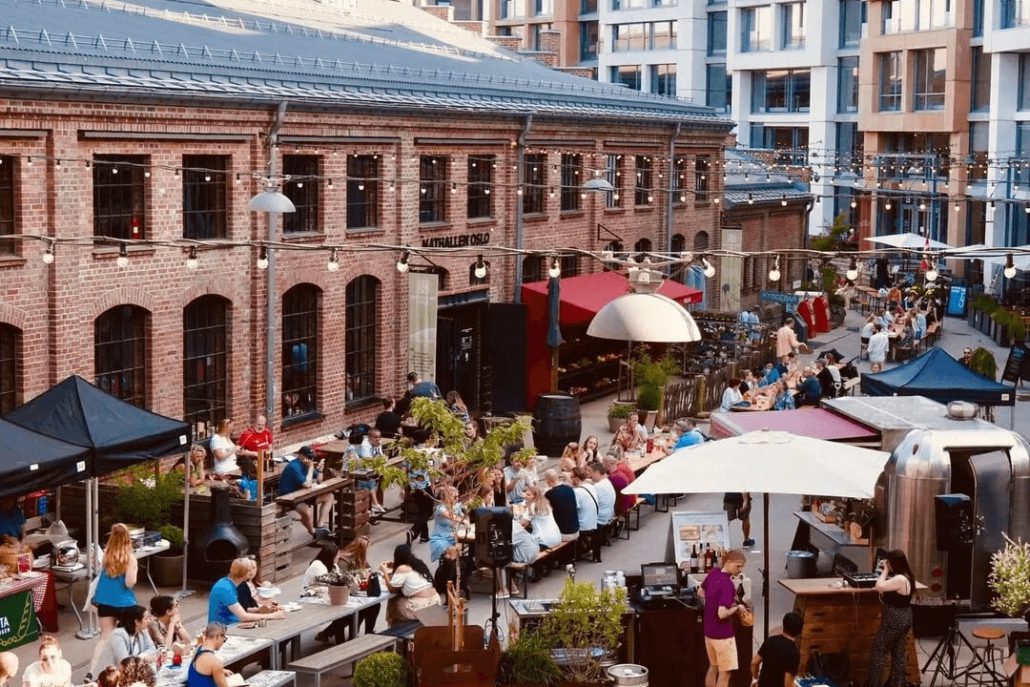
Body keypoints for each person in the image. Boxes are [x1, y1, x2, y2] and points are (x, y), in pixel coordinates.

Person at [865, 550, 915, 687]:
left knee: (879, 651)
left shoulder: (899, 579)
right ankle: (898, 683)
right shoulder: (907, 576)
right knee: (898, 652)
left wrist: (885, 570)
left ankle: (874, 684)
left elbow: (879, 586)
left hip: (894, 619)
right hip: (905, 617)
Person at [700, 549, 749, 687]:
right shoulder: (728, 585)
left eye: (742, 567)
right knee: (725, 673)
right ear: (728, 562)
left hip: (709, 631)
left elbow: (701, 592)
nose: (740, 570)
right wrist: (737, 608)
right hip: (723, 635)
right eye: (738, 566)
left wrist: (713, 602)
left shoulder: (713, 573)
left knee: (713, 667)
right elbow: (722, 614)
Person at [208, 558, 285, 626]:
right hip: (224, 628)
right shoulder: (225, 589)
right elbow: (243, 616)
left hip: (230, 623)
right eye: (250, 569)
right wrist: (274, 616)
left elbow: (240, 610)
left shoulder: (228, 583)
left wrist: (261, 610)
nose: (253, 571)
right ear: (244, 572)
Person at [94, 523, 138, 638]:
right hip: (124, 602)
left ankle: (100, 656)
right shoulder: (130, 559)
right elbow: (130, 583)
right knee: (127, 635)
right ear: (128, 538)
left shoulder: (106, 556)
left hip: (104, 600)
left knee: (106, 634)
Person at [380, 544, 440, 626]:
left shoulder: (402, 568)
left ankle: (393, 629)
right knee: (399, 601)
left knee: (394, 603)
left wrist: (384, 571)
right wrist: (394, 565)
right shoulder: (417, 564)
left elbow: (391, 588)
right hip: (435, 600)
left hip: (422, 605)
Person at [279, 446, 332, 539]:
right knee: (307, 512)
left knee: (329, 496)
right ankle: (313, 532)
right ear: (300, 456)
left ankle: (320, 526)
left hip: (304, 494)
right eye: (309, 457)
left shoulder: (306, 464)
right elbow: (307, 484)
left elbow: (319, 480)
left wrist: (320, 470)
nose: (311, 459)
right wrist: (311, 468)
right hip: (290, 497)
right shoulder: (294, 466)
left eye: (312, 457)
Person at [751, 612, 802, 687]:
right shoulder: (794, 652)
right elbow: (788, 683)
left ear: (784, 625)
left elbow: (754, 663)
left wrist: (755, 679)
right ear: (799, 631)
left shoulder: (770, 641)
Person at [186, 623, 232, 687]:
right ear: (217, 637)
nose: (223, 643)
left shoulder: (198, 649)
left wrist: (222, 671)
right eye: (224, 639)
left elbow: (204, 668)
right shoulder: (215, 663)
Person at [570, 467, 600, 563]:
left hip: (583, 525)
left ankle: (574, 556)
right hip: (594, 521)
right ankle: (589, 551)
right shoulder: (590, 486)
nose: (570, 480)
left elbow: (574, 509)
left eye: (571, 477)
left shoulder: (577, 492)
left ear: (577, 479)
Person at [428, 486, 465, 563]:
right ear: (447, 497)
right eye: (455, 497)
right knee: (452, 554)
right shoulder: (440, 508)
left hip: (452, 538)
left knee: (460, 549)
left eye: (458, 496)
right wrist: (464, 521)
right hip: (440, 538)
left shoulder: (457, 507)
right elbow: (452, 517)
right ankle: (450, 571)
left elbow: (464, 516)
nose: (457, 499)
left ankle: (452, 570)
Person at [542, 469, 579, 542]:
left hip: (563, 533)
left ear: (547, 481)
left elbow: (544, 511)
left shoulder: (549, 494)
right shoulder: (570, 489)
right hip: (576, 529)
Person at [521, 484, 561, 549]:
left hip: (545, 541)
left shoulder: (532, 506)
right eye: (526, 494)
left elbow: (522, 523)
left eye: (528, 495)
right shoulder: (546, 504)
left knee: (521, 544)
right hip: (557, 538)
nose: (525, 496)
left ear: (535, 496)